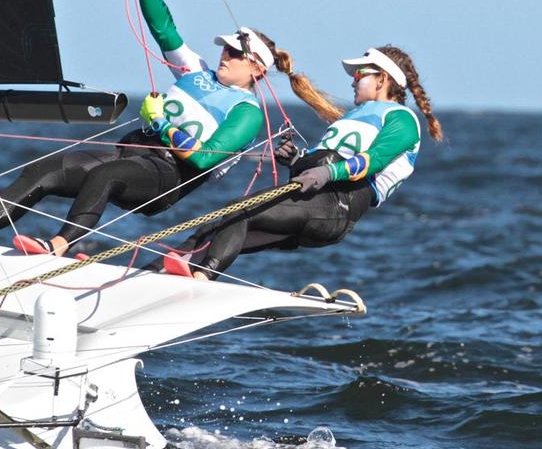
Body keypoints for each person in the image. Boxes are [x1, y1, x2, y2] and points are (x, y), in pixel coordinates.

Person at [0, 0, 336, 256]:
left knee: (108, 175)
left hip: (166, 178)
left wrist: (164, 125)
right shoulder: (197, 71)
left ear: (258, 70)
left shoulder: (246, 113)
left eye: (236, 54)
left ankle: (59, 246)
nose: (226, 55)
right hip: (132, 148)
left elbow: (204, 159)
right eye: (225, 48)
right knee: (44, 169)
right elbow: (164, 29)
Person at [161, 45, 443, 280]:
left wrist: (324, 172)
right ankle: (158, 273)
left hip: (337, 205)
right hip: (313, 198)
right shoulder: (351, 117)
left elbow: (372, 161)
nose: (353, 80)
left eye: (359, 74)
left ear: (382, 79)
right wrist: (296, 160)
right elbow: (317, 168)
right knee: (213, 229)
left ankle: (201, 279)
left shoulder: (402, 118)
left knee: (239, 212)